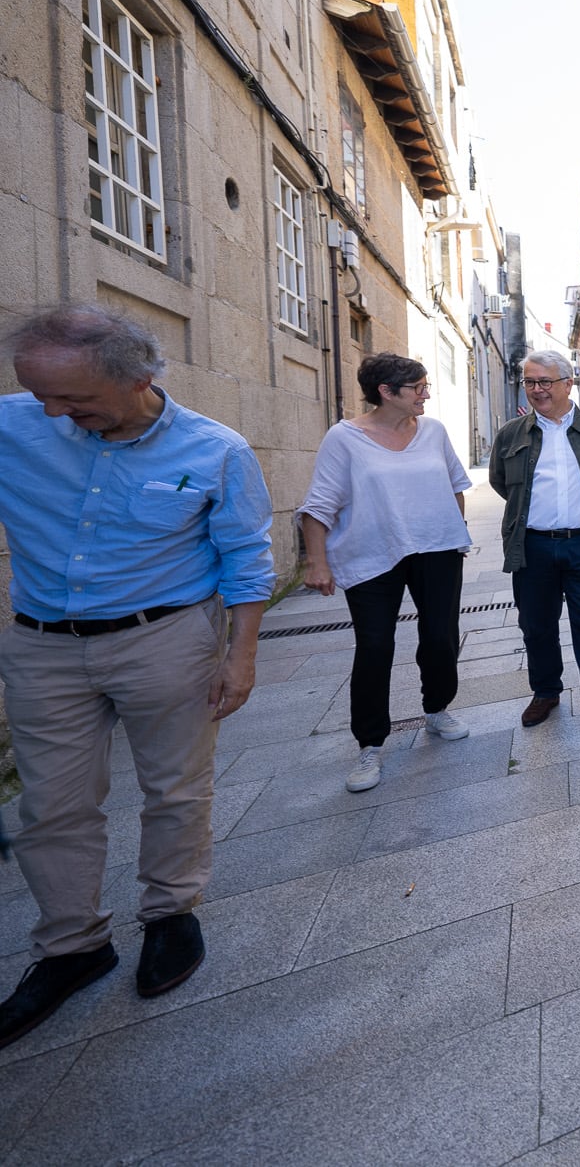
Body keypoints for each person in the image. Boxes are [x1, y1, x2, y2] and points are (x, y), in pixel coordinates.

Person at [0, 305, 273, 1046]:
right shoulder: (15, 426)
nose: (53, 411)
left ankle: (169, 914)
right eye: (41, 395)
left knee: (176, 785)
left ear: (138, 378)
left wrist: (239, 654)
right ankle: (71, 947)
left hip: (166, 638)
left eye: (74, 399)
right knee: (50, 806)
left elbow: (246, 559)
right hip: (42, 644)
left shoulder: (215, 450)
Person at [298, 353, 474, 793]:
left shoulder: (432, 431)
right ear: (386, 392)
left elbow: (455, 485)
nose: (426, 394)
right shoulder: (344, 438)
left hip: (436, 549)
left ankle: (437, 709)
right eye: (418, 387)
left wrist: (456, 533)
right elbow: (317, 505)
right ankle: (370, 743)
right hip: (372, 553)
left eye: (426, 385)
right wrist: (315, 561)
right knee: (374, 645)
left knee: (440, 636)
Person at [489, 352, 580, 734]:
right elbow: (500, 482)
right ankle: (545, 692)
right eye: (530, 382)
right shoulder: (511, 434)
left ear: (567, 384)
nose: (537, 390)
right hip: (533, 545)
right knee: (536, 625)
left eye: (545, 382)